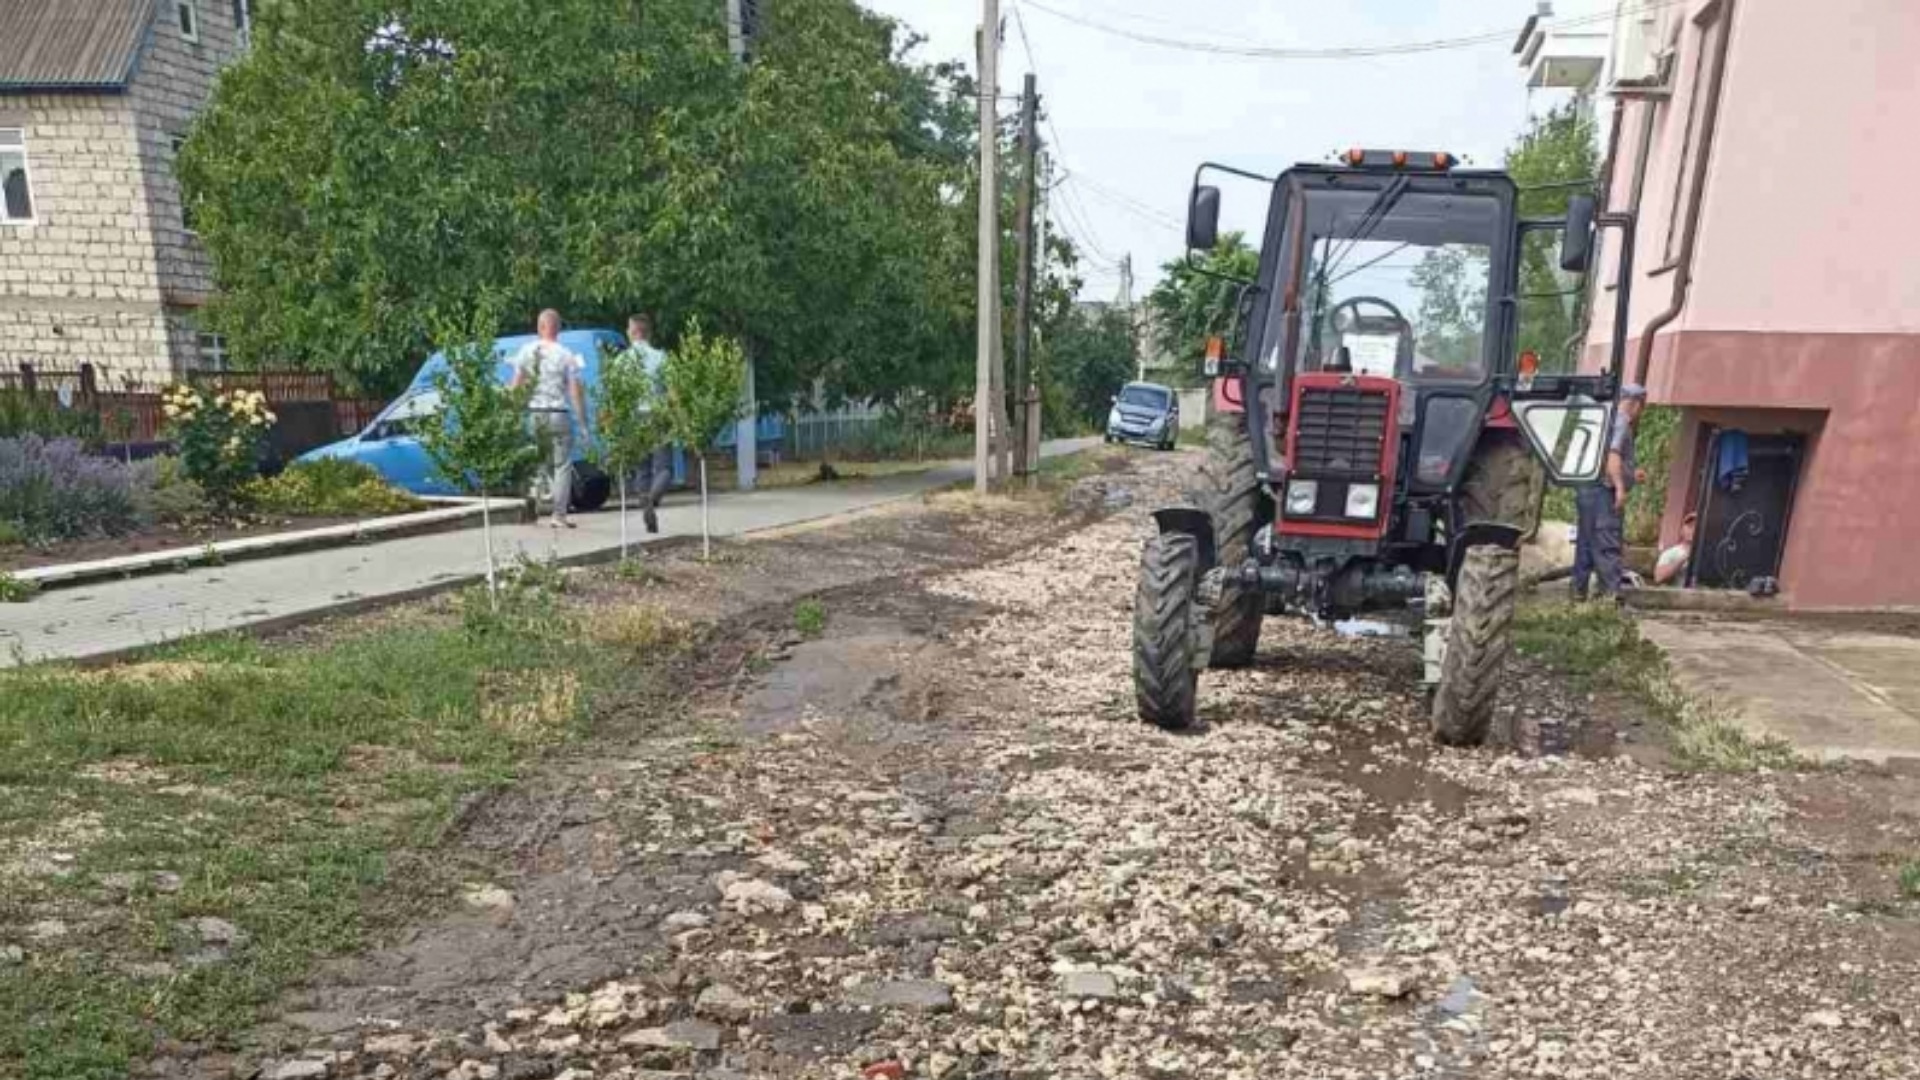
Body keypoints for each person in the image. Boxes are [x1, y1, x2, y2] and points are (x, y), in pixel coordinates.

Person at [508, 309, 587, 529]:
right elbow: (574, 391)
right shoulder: (566, 354)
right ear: (558, 328)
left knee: (539, 463)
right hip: (558, 414)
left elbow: (516, 385)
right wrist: (582, 423)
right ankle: (558, 515)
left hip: (535, 415)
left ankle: (531, 510)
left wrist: (510, 414)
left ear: (539, 326)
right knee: (562, 464)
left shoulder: (525, 352)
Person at [1572, 382, 1648, 602]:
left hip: (1587, 488)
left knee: (1586, 543)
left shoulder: (1602, 417)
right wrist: (1621, 489)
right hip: (1604, 491)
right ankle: (1611, 599)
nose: (1639, 413)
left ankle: (1578, 595)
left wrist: (1632, 474)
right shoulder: (1622, 422)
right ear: (1634, 404)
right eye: (1641, 407)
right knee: (1607, 542)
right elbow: (1612, 457)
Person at [623, 313, 672, 534]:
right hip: (658, 416)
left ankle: (646, 505)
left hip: (634, 418)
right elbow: (673, 391)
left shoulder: (622, 360)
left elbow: (617, 394)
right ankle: (652, 500)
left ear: (632, 332)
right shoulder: (661, 357)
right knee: (664, 468)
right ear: (648, 333)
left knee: (641, 469)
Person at [1654, 512, 1698, 587]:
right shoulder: (1671, 553)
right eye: (1690, 526)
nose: (1693, 530)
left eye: (1696, 527)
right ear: (1682, 530)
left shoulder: (1708, 554)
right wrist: (1684, 558)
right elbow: (1659, 577)